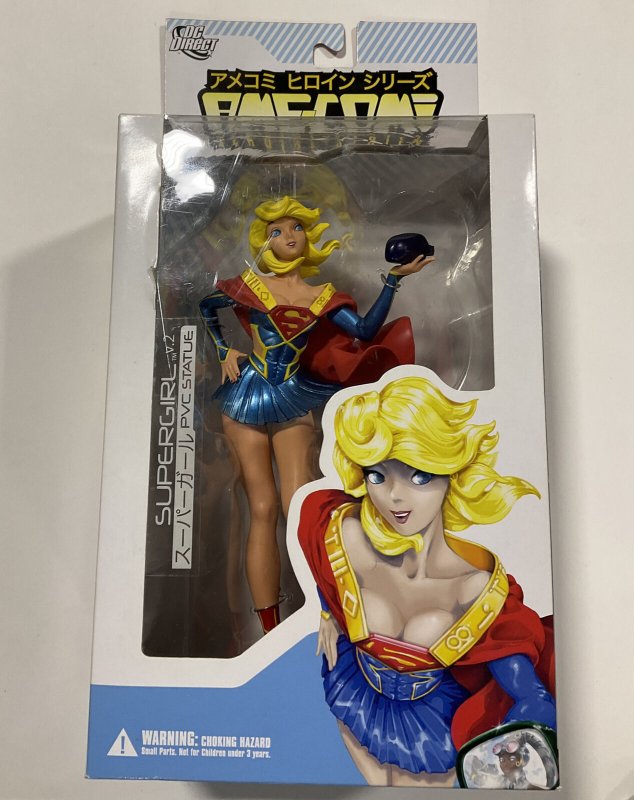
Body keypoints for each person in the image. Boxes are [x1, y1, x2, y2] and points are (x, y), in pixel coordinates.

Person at [298, 375, 556, 786]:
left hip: (433, 727)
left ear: (452, 473)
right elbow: (319, 558)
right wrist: (329, 611)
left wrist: (517, 738)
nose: (394, 497)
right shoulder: (342, 531)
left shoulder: (476, 588)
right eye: (377, 475)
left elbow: (529, 688)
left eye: (419, 476)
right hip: (355, 691)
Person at [200, 197, 433, 634]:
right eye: (277, 231)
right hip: (246, 395)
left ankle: (326, 608)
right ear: (264, 241)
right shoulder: (250, 286)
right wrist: (224, 349)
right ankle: (269, 627)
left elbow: (364, 330)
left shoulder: (321, 296)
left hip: (292, 394)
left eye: (297, 229)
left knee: (300, 504)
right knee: (262, 506)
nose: (289, 237)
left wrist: (393, 281)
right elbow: (207, 306)